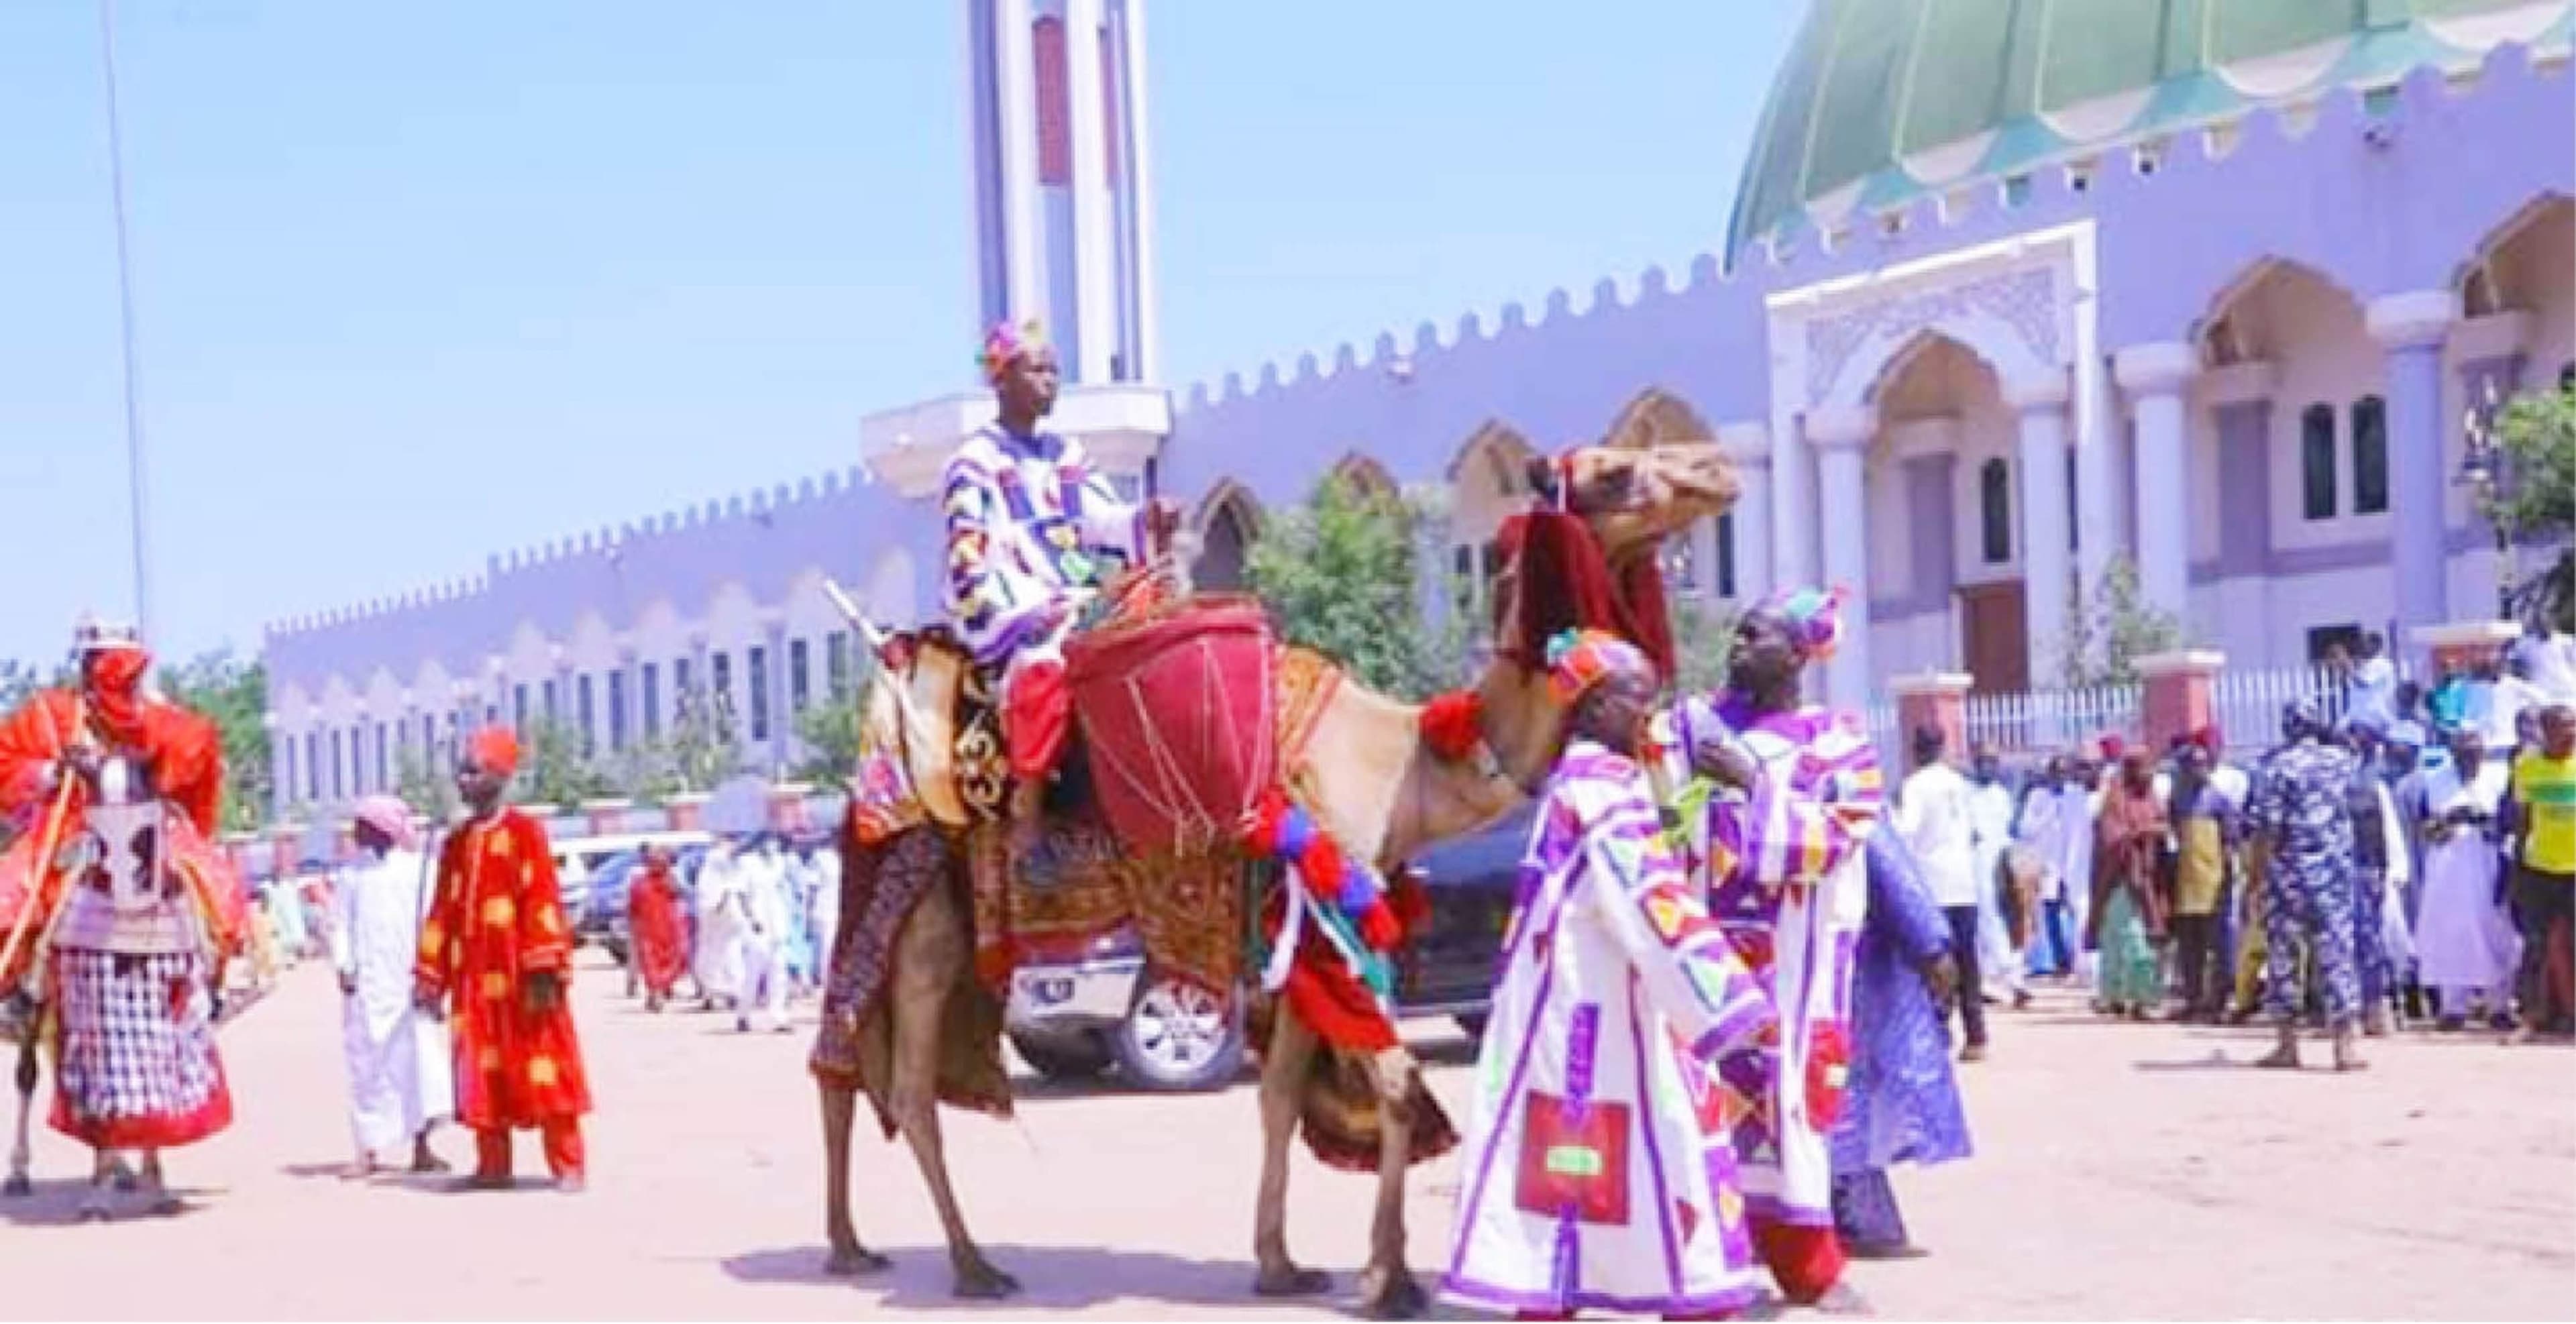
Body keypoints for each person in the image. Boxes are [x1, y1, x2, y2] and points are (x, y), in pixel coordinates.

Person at [1441, 630, 1774, 1321]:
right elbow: (1652, 901)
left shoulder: (1585, 782)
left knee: (1586, 1156)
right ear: (1593, 706)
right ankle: (1679, 1294)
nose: (1647, 714)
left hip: (1579, 1000)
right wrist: (1729, 999)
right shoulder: (1600, 792)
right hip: (1589, 1012)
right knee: (1654, 1142)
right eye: (1635, 698)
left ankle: (1566, 1291)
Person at [1666, 586, 1884, 1310]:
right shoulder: (1690, 730)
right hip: (1702, 959)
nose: (1736, 646)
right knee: (1691, 1106)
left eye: (1753, 635)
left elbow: (1837, 838)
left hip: (1792, 964)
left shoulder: (1838, 745)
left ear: (1796, 655)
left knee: (1790, 1104)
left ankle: (1806, 1268)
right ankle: (1702, 1266)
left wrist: (1753, 784)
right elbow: (1656, 813)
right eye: (1736, 632)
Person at [0, 618, 246, 1217]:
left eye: (123, 667)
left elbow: (196, 762)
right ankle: (22, 993)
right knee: (18, 897)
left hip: (145, 830)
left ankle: (221, 978)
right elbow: (8, 764)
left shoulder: (160, 718)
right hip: (70, 830)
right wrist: (53, 773)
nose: (114, 677)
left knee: (214, 887)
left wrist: (154, 760)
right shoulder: (51, 716)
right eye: (104, 664)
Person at [941, 319, 1180, 879]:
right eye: (1038, 370)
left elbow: (1098, 520)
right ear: (1002, 380)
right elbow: (968, 559)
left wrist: (1145, 518)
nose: (1052, 380)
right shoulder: (973, 464)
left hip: (1077, 596)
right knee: (1044, 663)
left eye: (1055, 370)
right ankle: (1028, 821)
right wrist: (1026, 610)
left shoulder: (1065, 453)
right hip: (1014, 607)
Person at [412, 728, 592, 1192]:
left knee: (544, 1064)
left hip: (524, 977)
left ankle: (568, 1165)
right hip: (473, 982)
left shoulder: (525, 833)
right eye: (462, 772)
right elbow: (442, 910)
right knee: (480, 1069)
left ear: (499, 776)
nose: (463, 780)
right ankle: (493, 1166)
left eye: (473, 771)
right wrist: (430, 975)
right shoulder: (456, 843)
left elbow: (542, 898)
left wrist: (544, 965)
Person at [1829, 830, 1970, 1260]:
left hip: (1825, 957)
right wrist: (1930, 945)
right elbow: (1884, 861)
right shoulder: (1844, 794)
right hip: (1838, 962)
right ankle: (1850, 1214)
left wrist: (1928, 942)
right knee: (1843, 1091)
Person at [329, 795, 452, 1178]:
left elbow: (434, 924)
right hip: (366, 988)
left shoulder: (420, 871)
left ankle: (422, 1148)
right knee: (367, 1070)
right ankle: (367, 1151)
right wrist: (344, 966)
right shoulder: (351, 876)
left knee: (419, 1067)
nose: (356, 833)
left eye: (363, 826)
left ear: (383, 829)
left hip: (409, 984)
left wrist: (432, 976)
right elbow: (340, 925)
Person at [2245, 700, 2367, 1070]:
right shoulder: (2342, 762)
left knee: (2284, 957)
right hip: (2334, 875)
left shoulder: (2276, 767)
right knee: (2338, 955)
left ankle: (2287, 1046)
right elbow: (2357, 756)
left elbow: (2267, 829)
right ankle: (2344, 1047)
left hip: (2289, 877)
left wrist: (2255, 880)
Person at [2415, 726, 2518, 1030]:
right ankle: (2453, 1008)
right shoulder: (2434, 782)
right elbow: (2424, 830)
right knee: (2451, 932)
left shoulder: (2499, 779)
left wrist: (2484, 821)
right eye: (2463, 753)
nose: (2469, 759)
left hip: (2489, 865)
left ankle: (2499, 1006)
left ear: (2483, 753)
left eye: (2474, 753)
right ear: (2453, 753)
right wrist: (2450, 820)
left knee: (2496, 932)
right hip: (2448, 869)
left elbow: (2511, 823)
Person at [1894, 724, 1985, 1060]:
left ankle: (1939, 1031)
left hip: (1932, 885)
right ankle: (1976, 1035)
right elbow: (1975, 833)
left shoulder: (1916, 786)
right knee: (1968, 961)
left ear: (1916, 749)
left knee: (1933, 961)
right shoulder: (1960, 784)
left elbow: (1906, 832)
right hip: (1964, 883)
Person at [2339, 720, 2411, 1035]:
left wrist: (2389, 872)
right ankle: (2350, 1012)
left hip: (2369, 869)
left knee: (2373, 940)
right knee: (2345, 943)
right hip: (2341, 871)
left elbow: (2386, 832)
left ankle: (2377, 1008)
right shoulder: (2337, 779)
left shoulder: (2376, 783)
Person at [2507, 702, 2575, 1036]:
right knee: (2535, 945)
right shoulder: (2527, 767)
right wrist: (2518, 869)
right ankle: (2532, 1017)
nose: (2571, 733)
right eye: (2564, 727)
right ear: (2546, 732)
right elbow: (2523, 820)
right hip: (2541, 868)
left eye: (2574, 726)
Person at [2086, 747, 2167, 1019]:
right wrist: (2141, 833)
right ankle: (2117, 996)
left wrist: (2155, 832)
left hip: (2149, 881)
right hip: (2120, 881)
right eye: (2143, 768)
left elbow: (2165, 825)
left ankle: (2142, 999)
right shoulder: (2115, 800)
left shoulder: (2152, 798)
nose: (2149, 774)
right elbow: (2112, 838)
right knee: (2127, 940)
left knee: (2148, 939)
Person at [2166, 740, 2237, 1022]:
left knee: (2217, 945)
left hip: (2213, 880)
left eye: (2202, 764)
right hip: (2186, 882)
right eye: (2192, 766)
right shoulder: (2178, 799)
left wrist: (2229, 877)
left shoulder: (2218, 800)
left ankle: (2218, 1001)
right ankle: (2193, 999)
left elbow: (2230, 841)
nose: (2199, 770)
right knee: (2189, 945)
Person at [1964, 744, 2027, 1012]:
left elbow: (2011, 830)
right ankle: (2000, 979)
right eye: (1983, 762)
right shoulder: (1966, 794)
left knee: (2006, 918)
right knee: (1984, 920)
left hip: (2001, 863)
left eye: (1992, 762)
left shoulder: (2002, 796)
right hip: (1974, 864)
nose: (1988, 767)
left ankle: (2009, 976)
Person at [2014, 757, 2074, 979]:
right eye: (2057, 773)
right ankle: (2055, 961)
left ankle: (2073, 961)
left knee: (2074, 912)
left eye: (2064, 773)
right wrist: (2048, 815)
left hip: (2071, 863)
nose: (2060, 778)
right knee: (2048, 914)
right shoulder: (2038, 797)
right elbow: (2025, 829)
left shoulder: (2074, 796)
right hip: (2045, 863)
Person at [732, 835, 794, 1034]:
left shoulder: (779, 862)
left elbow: (784, 890)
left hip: (777, 923)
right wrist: (751, 919)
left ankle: (779, 1017)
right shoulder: (747, 863)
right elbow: (741, 895)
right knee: (754, 972)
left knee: (779, 971)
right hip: (757, 925)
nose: (771, 845)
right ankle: (743, 1014)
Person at [626, 846, 688, 1011]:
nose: (657, 866)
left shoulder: (670, 881)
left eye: (661, 862)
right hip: (647, 929)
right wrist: (633, 926)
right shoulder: (639, 883)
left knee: (671, 960)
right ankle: (657, 993)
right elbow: (632, 908)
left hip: (669, 928)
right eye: (654, 862)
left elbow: (680, 895)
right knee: (650, 961)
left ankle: (658, 990)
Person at [692, 836, 748, 1012]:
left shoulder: (732, 866)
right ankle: (717, 994)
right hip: (719, 917)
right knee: (721, 954)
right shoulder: (716, 864)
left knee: (727, 954)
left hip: (727, 917)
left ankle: (727, 993)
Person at [2348, 632, 2398, 733]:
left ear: (2376, 645)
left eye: (2365, 643)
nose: (2362, 647)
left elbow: (2364, 684)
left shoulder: (2382, 664)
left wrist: (2349, 669)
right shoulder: (2365, 664)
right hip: (2361, 717)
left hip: (2377, 719)